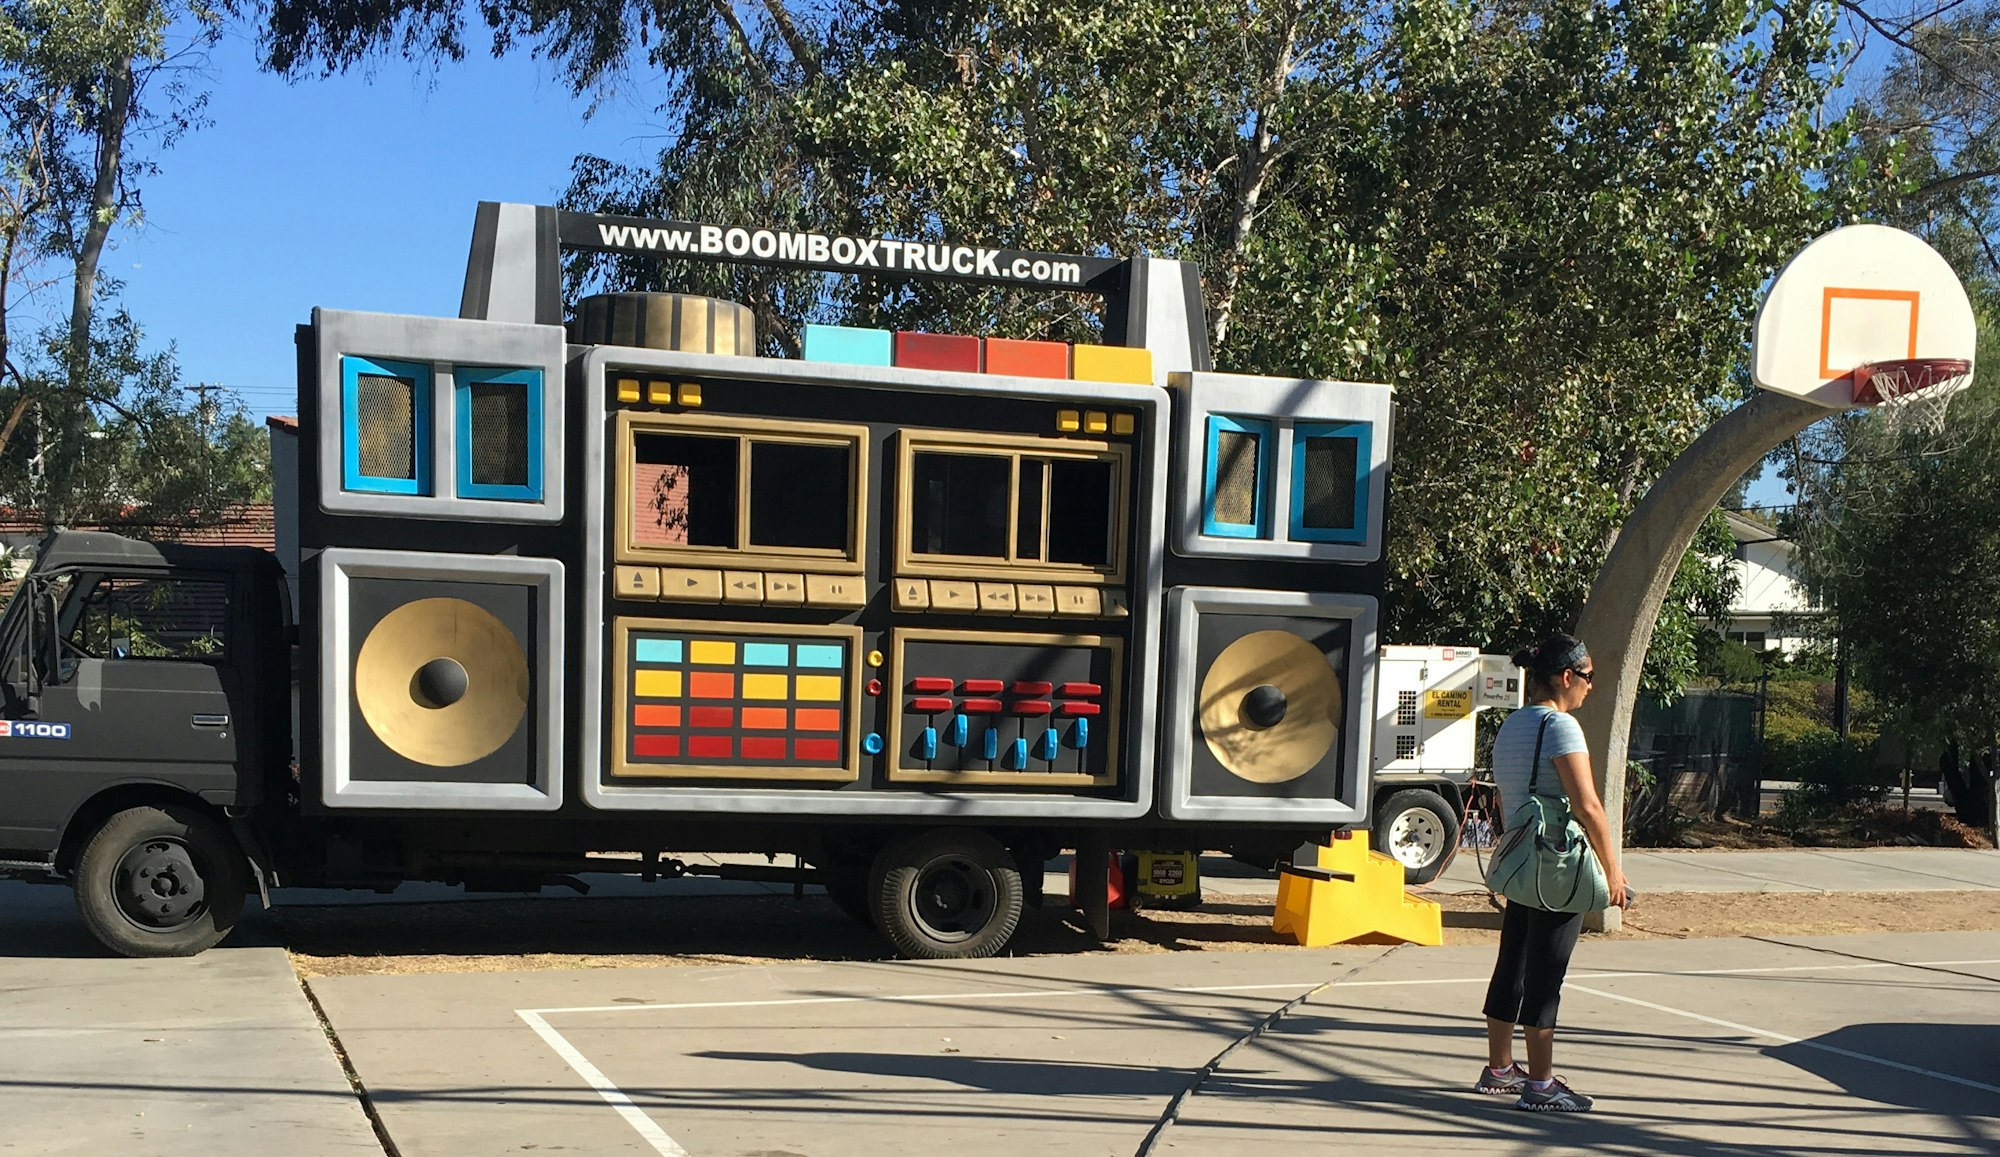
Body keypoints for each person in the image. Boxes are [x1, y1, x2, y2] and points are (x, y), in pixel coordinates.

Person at [1473, 632, 1629, 1112]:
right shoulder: (1561, 728)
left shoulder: (1513, 724)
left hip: (1522, 859)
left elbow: (1506, 797)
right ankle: (1540, 1085)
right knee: (1547, 973)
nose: (1589, 687)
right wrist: (1614, 874)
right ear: (1565, 677)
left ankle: (1499, 1068)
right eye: (1587, 678)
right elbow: (1588, 806)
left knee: (1513, 961)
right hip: (1557, 863)